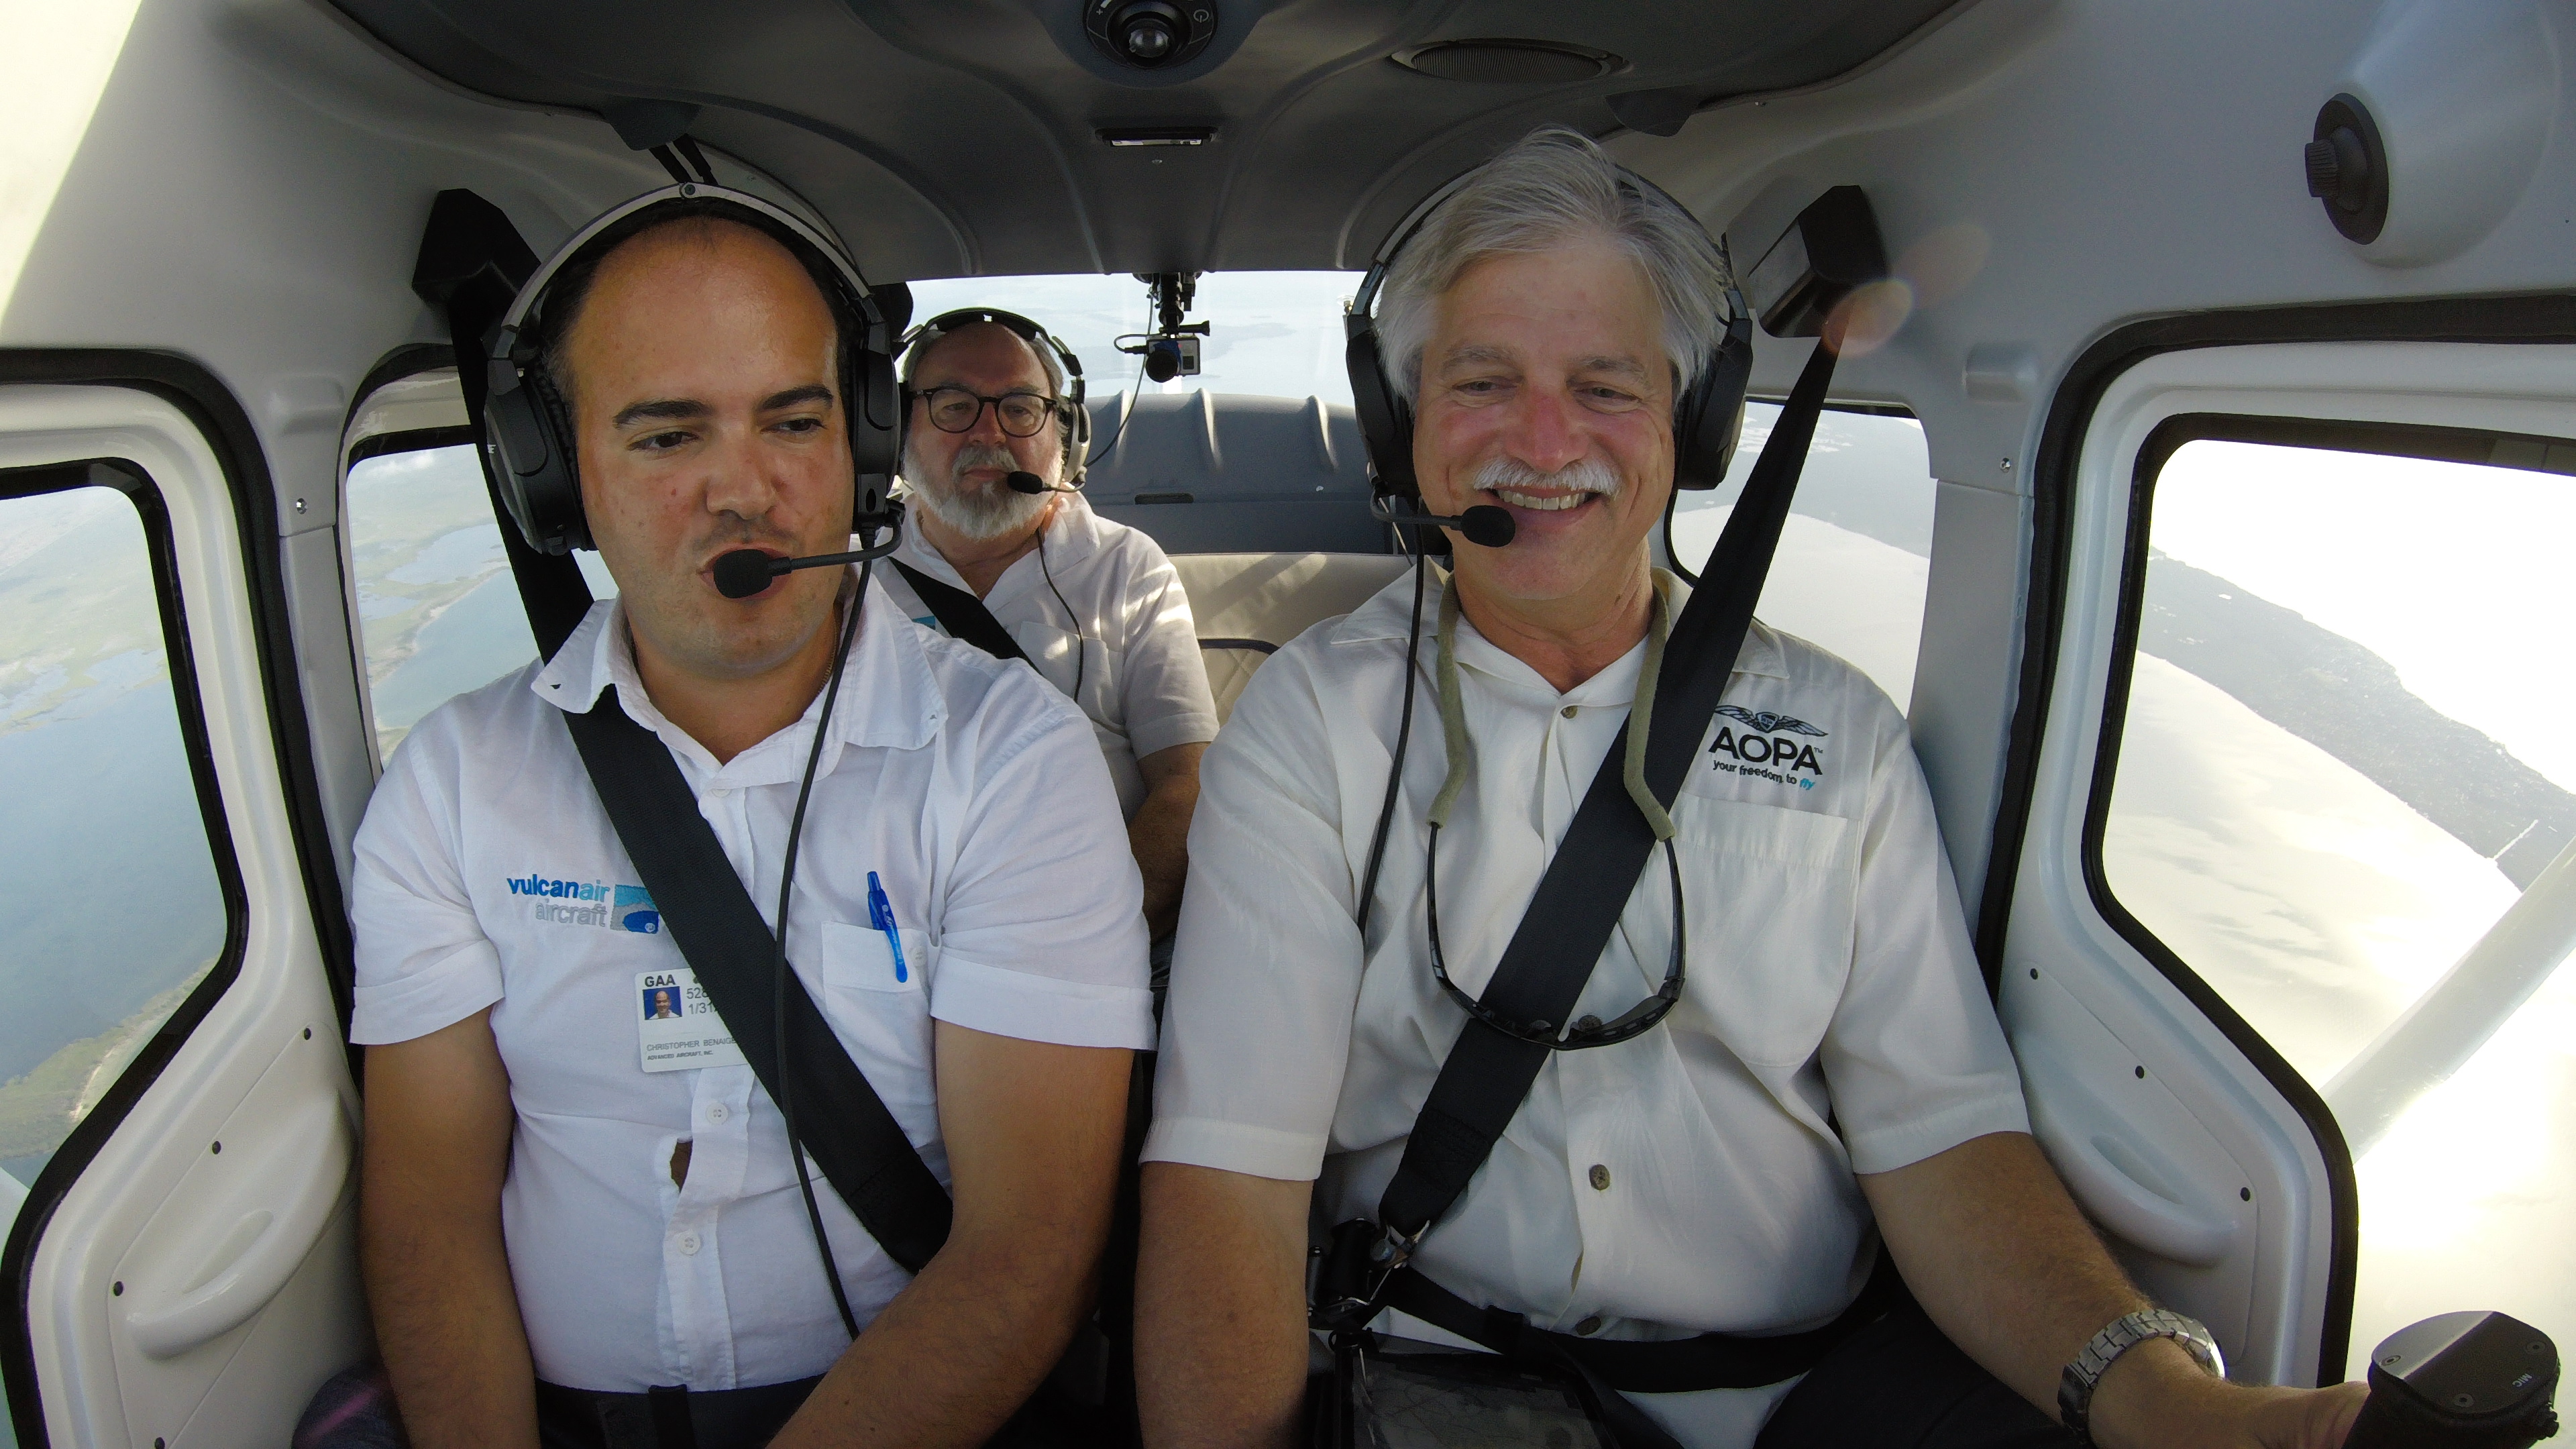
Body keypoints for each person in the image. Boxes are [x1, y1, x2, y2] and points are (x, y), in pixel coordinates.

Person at [1132, 129, 2369, 1449]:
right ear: (1403, 424)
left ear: (1695, 425)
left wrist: (2157, 1396)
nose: (1542, 440)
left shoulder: (1842, 737)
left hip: (1811, 1403)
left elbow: (1941, 1139)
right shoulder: (1311, 727)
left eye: (1606, 386)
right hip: (1443, 1389)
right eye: (1482, 380)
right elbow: (1232, 1178)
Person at [350, 199, 1153, 1449]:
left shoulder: (1012, 763)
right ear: (555, 478)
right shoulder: (453, 783)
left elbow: (1029, 1253)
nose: (748, 491)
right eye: (669, 436)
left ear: (861, 448)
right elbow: (430, 1219)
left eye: (794, 421)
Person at [879, 309, 1217, 945]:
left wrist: (1084, 945)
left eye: (1020, 406)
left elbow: (1187, 783)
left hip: (1088, 936)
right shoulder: (848, 578)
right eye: (953, 405)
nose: (989, 432)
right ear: (899, 430)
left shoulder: (1124, 567)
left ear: (1065, 435)